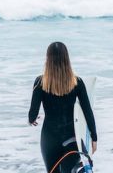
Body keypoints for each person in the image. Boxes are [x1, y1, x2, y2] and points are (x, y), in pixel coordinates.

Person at [28, 41, 97, 173]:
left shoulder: (40, 82)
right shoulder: (77, 82)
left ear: (48, 59)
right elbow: (88, 112)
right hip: (71, 138)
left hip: (50, 139)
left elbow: (32, 115)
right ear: (67, 59)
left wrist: (32, 119)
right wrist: (94, 138)